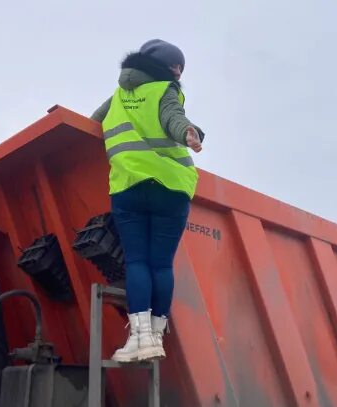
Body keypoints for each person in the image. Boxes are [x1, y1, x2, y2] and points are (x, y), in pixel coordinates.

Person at [91, 39, 204, 362]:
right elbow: (173, 117)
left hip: (128, 187)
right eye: (177, 67)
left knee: (137, 262)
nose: (180, 73)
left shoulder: (116, 98)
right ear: (169, 68)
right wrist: (189, 134)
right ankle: (154, 337)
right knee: (160, 264)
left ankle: (139, 338)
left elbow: (90, 122)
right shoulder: (164, 90)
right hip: (170, 187)